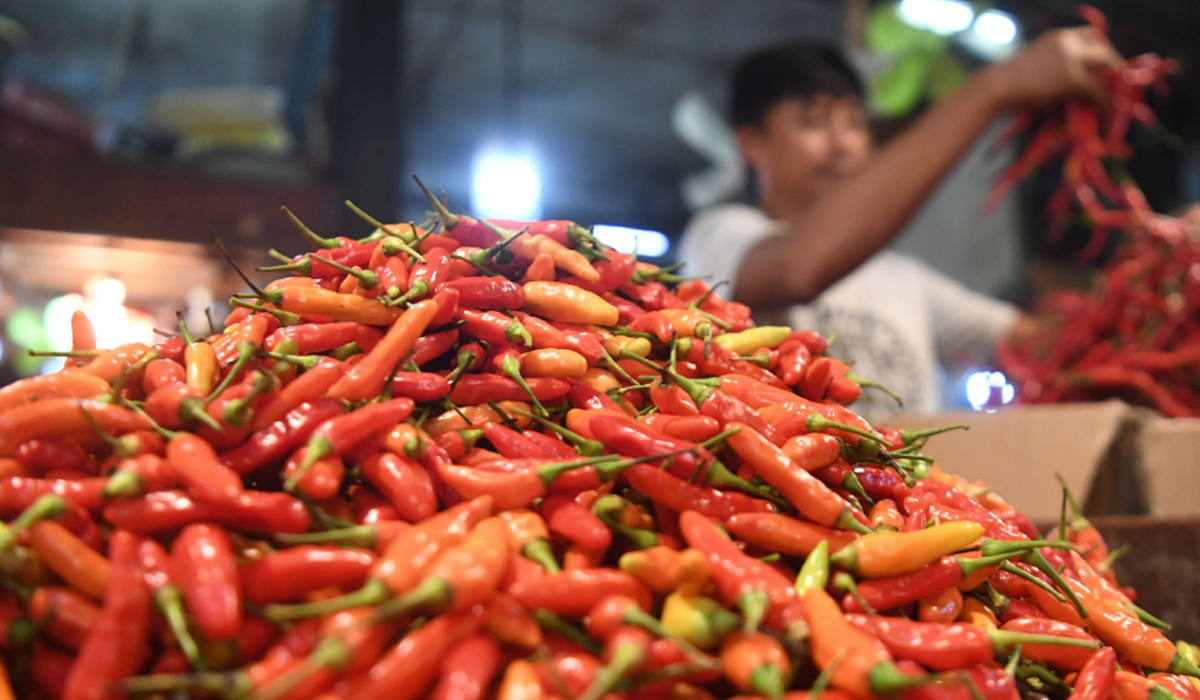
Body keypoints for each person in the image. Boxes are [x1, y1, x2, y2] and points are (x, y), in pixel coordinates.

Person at [679, 28, 1123, 417]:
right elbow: (796, 271)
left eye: (854, 121)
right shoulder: (721, 235)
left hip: (907, 505)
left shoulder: (904, 278)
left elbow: (1043, 344)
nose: (842, 144)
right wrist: (997, 86)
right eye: (812, 122)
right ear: (752, 144)